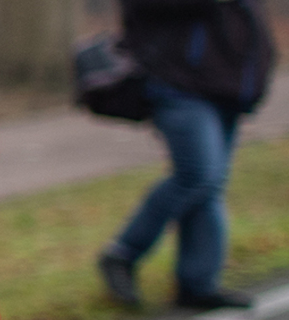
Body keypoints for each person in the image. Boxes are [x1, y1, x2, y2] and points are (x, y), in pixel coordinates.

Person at [99, 0, 275, 311]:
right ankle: (123, 253)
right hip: (179, 85)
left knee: (209, 184)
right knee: (197, 175)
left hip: (226, 87)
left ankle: (197, 285)